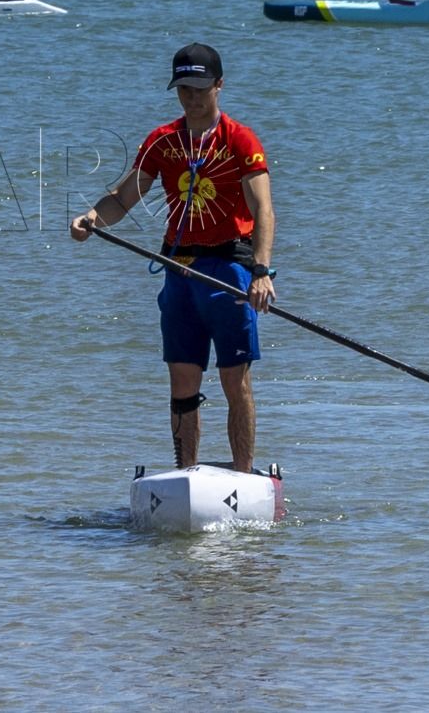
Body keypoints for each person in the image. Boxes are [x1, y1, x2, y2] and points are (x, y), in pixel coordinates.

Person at [70, 42, 276, 474]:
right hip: (179, 271)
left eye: (201, 88)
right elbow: (123, 198)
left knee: (233, 382)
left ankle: (243, 475)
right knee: (182, 383)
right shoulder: (162, 141)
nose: (192, 98)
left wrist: (260, 271)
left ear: (219, 85)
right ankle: (186, 475)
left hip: (230, 272)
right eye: (184, 88)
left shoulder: (241, 140)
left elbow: (263, 211)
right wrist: (91, 216)